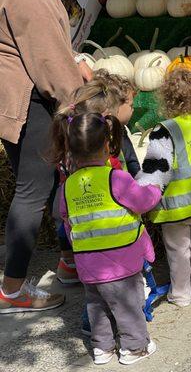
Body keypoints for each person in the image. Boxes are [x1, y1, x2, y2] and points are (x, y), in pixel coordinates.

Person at [0, 0, 92, 312]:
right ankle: (11, 291)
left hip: (12, 92)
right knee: (32, 189)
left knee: (50, 179)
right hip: (27, 97)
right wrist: (79, 99)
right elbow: (48, 55)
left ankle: (68, 261)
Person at [51, 112, 161, 365]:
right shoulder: (116, 178)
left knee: (96, 305)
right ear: (106, 146)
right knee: (128, 304)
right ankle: (135, 347)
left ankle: (102, 348)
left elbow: (66, 221)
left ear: (70, 149)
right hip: (122, 260)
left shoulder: (68, 186)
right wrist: (154, 188)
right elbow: (143, 203)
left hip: (88, 262)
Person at [136, 69, 191, 307]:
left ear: (167, 98)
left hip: (174, 207)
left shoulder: (165, 129)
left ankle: (181, 294)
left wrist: (141, 194)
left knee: (177, 251)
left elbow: (157, 168)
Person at [54, 73, 140, 285]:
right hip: (112, 229)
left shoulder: (71, 142)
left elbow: (63, 211)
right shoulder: (107, 151)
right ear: (106, 116)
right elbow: (125, 177)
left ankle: (76, 272)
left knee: (94, 281)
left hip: (82, 226)